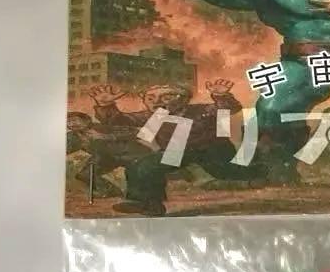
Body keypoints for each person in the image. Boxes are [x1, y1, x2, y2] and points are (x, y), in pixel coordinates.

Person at [87, 80, 251, 215]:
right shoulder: (154, 115)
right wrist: (105, 105)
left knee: (232, 173)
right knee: (141, 165)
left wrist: (221, 96)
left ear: (184, 99)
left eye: (166, 97)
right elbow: (120, 120)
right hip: (178, 152)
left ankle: (259, 174)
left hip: (210, 151)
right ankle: (147, 204)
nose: (156, 102)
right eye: (150, 98)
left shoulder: (201, 110)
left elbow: (227, 108)